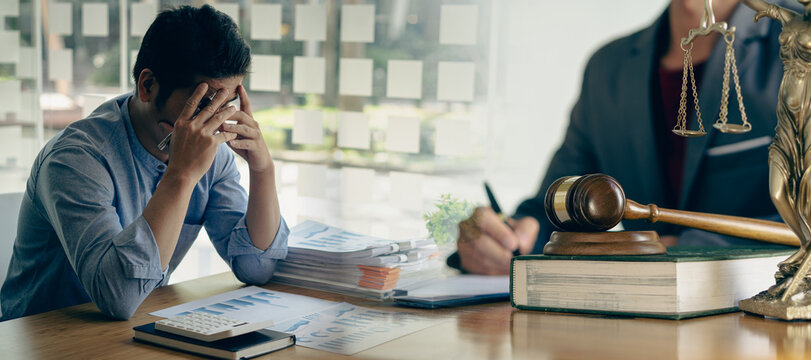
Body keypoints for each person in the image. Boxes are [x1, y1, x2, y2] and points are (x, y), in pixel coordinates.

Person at [452, 0, 797, 275]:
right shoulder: (608, 68)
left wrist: (691, 249)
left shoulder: (800, 45)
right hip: (632, 322)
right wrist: (513, 238)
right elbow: (560, 206)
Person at [0, 5, 288, 320]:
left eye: (226, 103)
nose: (216, 120)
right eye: (205, 103)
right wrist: (181, 176)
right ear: (147, 85)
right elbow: (119, 298)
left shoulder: (211, 155)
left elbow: (256, 267)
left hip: (131, 331)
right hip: (39, 336)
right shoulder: (75, 159)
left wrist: (263, 170)